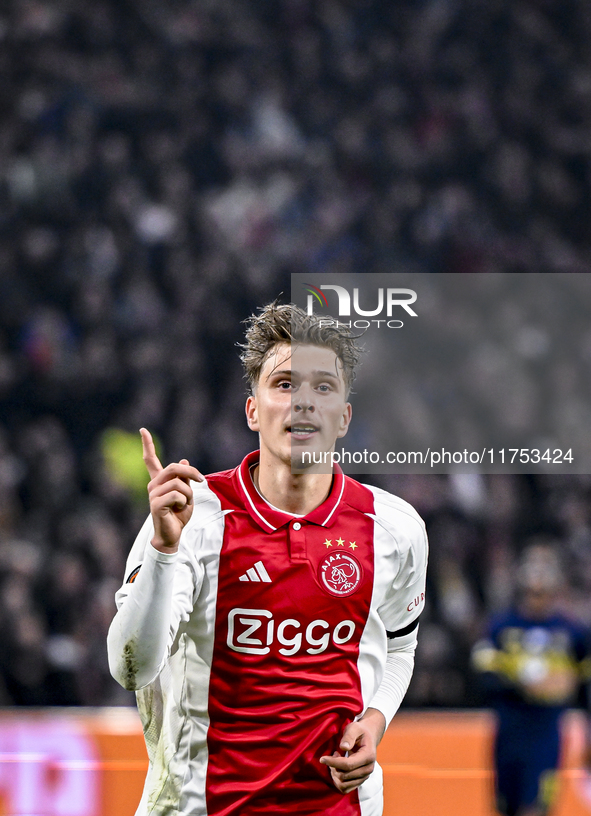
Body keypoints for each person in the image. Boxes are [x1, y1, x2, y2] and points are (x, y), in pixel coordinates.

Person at [107, 301, 428, 816]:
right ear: (253, 409)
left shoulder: (395, 528)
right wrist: (164, 550)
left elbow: (400, 647)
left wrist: (375, 719)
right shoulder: (193, 517)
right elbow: (131, 669)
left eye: (323, 387)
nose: (304, 403)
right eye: (284, 385)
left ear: (343, 417)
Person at [472, 544, 591, 816]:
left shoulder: (573, 632)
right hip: (508, 733)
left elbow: (585, 686)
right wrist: (525, 686)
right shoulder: (500, 627)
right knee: (506, 807)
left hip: (546, 735)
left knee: (536, 807)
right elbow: (483, 678)